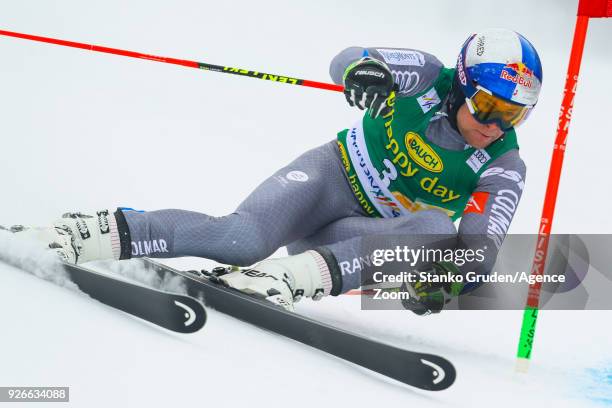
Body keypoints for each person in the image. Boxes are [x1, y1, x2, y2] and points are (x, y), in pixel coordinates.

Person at [6, 28, 542, 315]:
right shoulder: (426, 73)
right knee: (240, 238)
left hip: (355, 239)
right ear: (461, 85)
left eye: (513, 114)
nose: (496, 125)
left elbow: (478, 248)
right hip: (331, 178)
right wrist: (367, 73)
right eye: (489, 107)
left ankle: (288, 280)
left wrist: (444, 282)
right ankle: (78, 235)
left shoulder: (503, 164)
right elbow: (349, 57)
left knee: (438, 232)